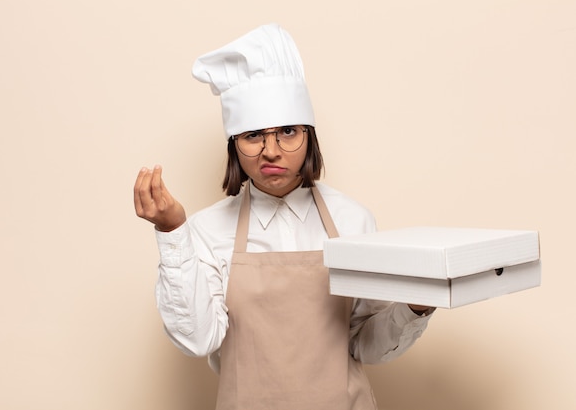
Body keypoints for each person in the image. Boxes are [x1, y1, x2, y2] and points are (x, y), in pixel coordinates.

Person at [134, 23, 434, 410]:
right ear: (235, 145)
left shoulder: (352, 220)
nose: (271, 151)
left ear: (309, 137)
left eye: (287, 132)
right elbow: (198, 339)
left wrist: (416, 307)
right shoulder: (208, 230)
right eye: (253, 135)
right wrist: (172, 230)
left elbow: (364, 344)